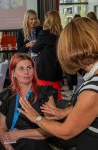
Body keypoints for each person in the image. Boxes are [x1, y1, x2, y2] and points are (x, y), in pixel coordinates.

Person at [18, 17, 98, 150]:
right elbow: (91, 106)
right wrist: (65, 112)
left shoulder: (92, 90)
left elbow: (65, 132)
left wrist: (36, 118)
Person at [0, 53, 58, 150]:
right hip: (10, 143)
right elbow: (1, 128)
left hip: (34, 145)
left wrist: (20, 134)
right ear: (13, 73)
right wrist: (7, 145)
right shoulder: (7, 95)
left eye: (29, 68)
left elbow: (51, 130)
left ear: (33, 71)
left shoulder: (45, 94)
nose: (26, 72)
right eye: (21, 69)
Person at [31, 10, 63, 100]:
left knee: (43, 96)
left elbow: (34, 49)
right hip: (57, 69)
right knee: (57, 96)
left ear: (48, 20)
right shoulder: (63, 34)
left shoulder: (45, 33)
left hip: (44, 69)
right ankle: (58, 113)